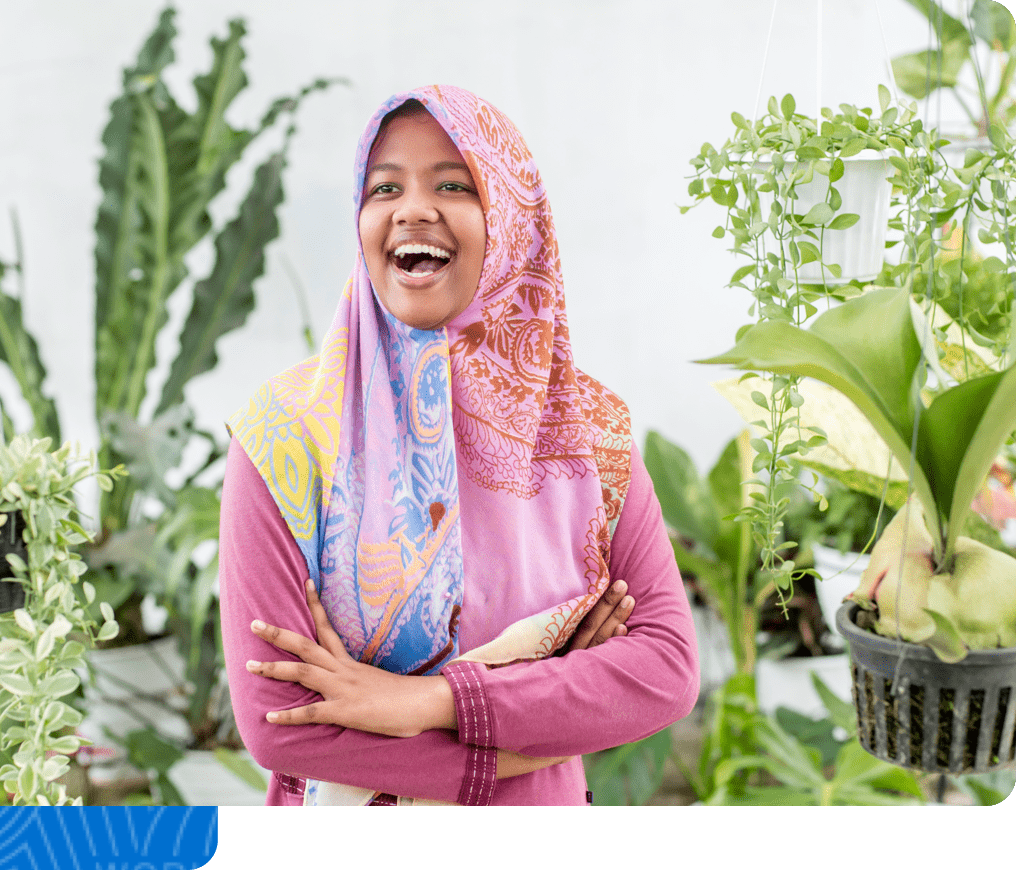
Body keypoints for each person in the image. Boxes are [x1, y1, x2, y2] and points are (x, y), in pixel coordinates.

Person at [219, 85, 699, 806]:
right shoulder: (285, 436)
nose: (412, 208)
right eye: (385, 188)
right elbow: (283, 727)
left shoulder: (587, 436)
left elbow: (663, 670)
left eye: (453, 183)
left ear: (512, 222)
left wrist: (426, 702)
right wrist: (533, 730)